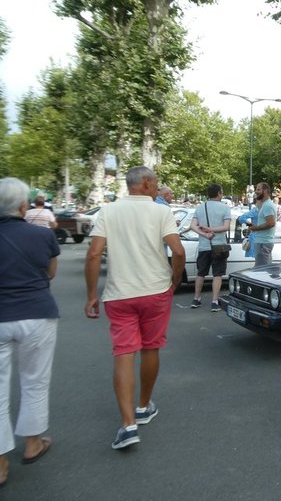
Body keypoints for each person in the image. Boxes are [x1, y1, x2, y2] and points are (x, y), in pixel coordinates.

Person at [84, 166, 185, 450]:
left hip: (119, 293)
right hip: (155, 290)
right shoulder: (160, 211)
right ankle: (143, 406)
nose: (157, 187)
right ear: (147, 183)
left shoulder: (108, 211)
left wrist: (92, 294)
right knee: (150, 348)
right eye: (156, 183)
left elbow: (94, 253)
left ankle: (127, 425)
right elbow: (178, 251)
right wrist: (173, 280)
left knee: (123, 354)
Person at [0, 178, 60, 483]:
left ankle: (0, 462)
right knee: (35, 380)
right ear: (23, 206)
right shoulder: (41, 235)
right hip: (37, 312)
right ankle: (32, 443)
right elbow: (50, 273)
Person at [190, 184, 231, 311]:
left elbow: (193, 226)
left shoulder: (200, 207)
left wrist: (205, 234)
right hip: (219, 246)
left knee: (201, 273)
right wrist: (211, 230)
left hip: (203, 246)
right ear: (219, 193)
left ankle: (196, 299)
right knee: (217, 274)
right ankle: (214, 302)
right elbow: (226, 227)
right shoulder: (225, 208)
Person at [249, 182, 278, 268]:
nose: (256, 191)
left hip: (263, 243)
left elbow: (271, 223)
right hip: (263, 242)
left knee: (261, 272)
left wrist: (256, 228)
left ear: (265, 191)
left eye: (258, 189)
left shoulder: (267, 206)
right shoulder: (266, 204)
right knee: (265, 271)